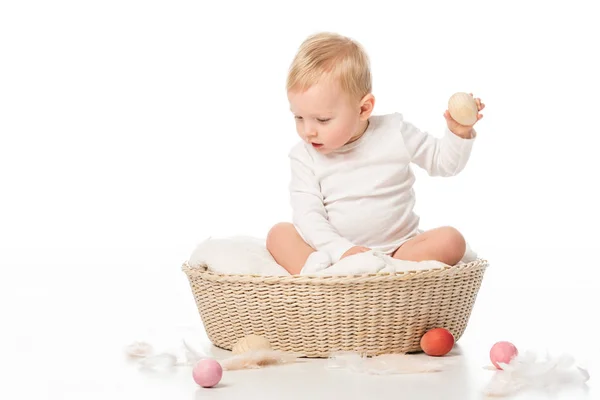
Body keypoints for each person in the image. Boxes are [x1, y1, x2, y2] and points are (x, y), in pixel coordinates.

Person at [266, 32, 485, 275]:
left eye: (322, 119)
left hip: (398, 251)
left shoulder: (395, 132)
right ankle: (327, 274)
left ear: (363, 108)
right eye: (298, 117)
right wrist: (342, 252)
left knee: (451, 240)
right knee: (279, 234)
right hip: (332, 253)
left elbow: (443, 163)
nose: (308, 131)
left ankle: (384, 271)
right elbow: (309, 216)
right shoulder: (304, 156)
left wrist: (458, 133)